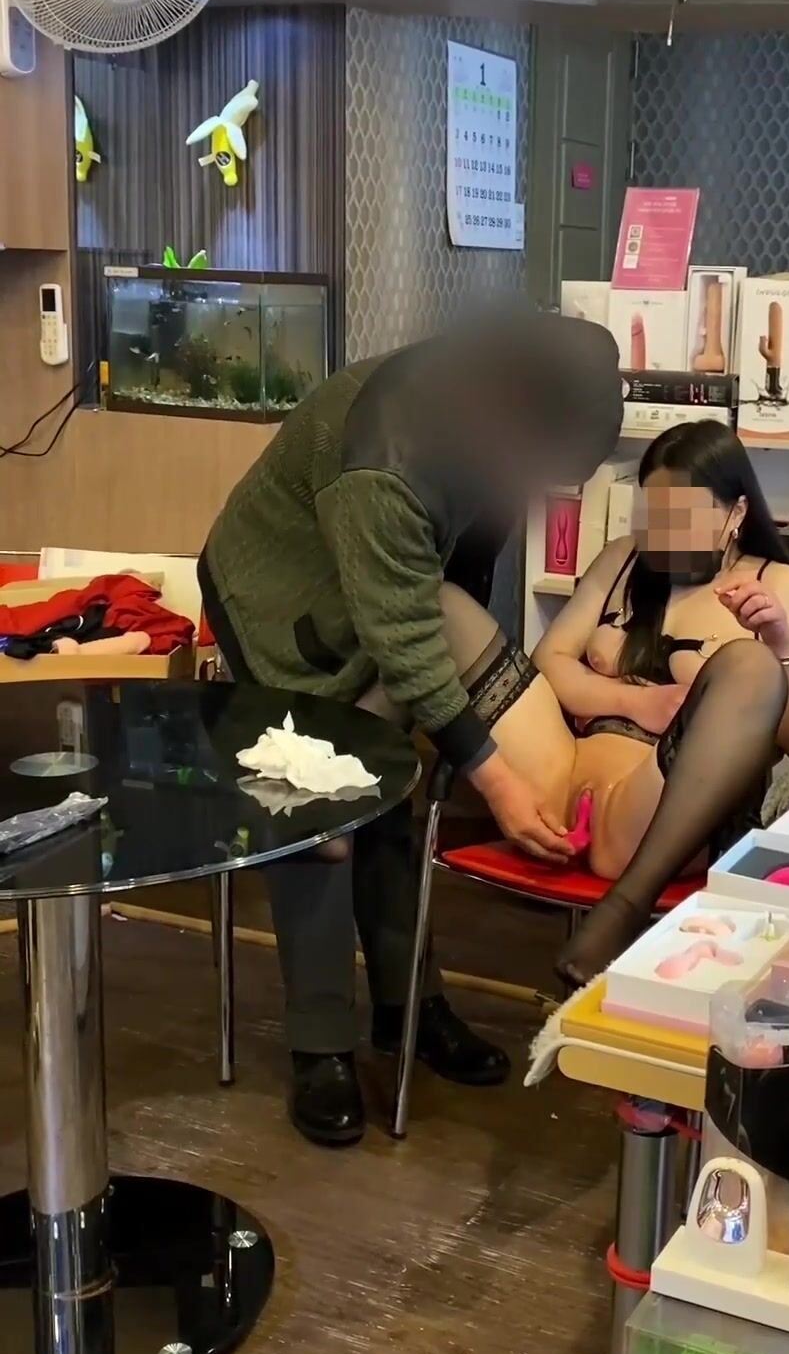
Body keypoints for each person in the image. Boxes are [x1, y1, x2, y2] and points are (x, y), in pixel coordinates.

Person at [198, 310, 622, 1146]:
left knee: (391, 802)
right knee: (318, 818)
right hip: (283, 602)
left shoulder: (498, 407)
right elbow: (408, 639)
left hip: (379, 591)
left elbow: (461, 572)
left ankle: (410, 1011)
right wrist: (493, 775)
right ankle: (321, 1045)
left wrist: (457, 731)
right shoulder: (386, 460)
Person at [453, 419, 789, 988]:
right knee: (443, 604)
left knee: (749, 665)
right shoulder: (622, 560)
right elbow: (550, 661)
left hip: (650, 815)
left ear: (735, 513)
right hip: (559, 776)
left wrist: (782, 645)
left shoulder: (782, 586)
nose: (663, 531)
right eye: (654, 512)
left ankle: (624, 910)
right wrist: (636, 701)